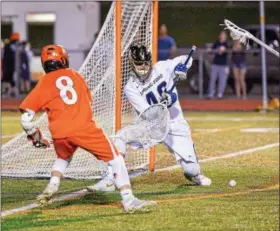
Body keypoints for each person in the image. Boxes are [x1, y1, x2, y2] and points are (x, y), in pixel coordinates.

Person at [19, 44, 156, 213]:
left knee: (63, 156)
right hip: (83, 127)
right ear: (64, 59)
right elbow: (87, 102)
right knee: (116, 158)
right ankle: (129, 200)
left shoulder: (43, 82)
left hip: (59, 132)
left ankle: (52, 185)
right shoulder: (75, 75)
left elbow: (26, 120)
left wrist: (35, 136)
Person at [88, 44, 211, 192]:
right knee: (120, 137)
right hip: (151, 126)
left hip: (174, 123)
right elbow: (149, 113)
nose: (144, 68)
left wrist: (181, 68)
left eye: (146, 63)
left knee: (192, 170)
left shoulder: (162, 67)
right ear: (132, 64)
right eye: (139, 64)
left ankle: (194, 175)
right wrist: (165, 102)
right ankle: (110, 178)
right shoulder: (131, 87)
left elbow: (187, 58)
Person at [207, 31, 229, 99]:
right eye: (221, 34)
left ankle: (220, 94)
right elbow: (210, 51)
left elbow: (221, 52)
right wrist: (216, 50)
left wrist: (215, 51)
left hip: (223, 65)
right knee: (212, 79)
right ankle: (211, 94)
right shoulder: (216, 43)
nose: (222, 36)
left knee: (222, 80)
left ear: (225, 36)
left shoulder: (226, 44)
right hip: (215, 64)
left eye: (223, 35)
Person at [2, 32, 21, 98]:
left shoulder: (15, 47)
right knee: (7, 79)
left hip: (13, 67)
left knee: (10, 79)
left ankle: (11, 91)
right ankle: (7, 91)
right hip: (8, 66)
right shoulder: (8, 46)